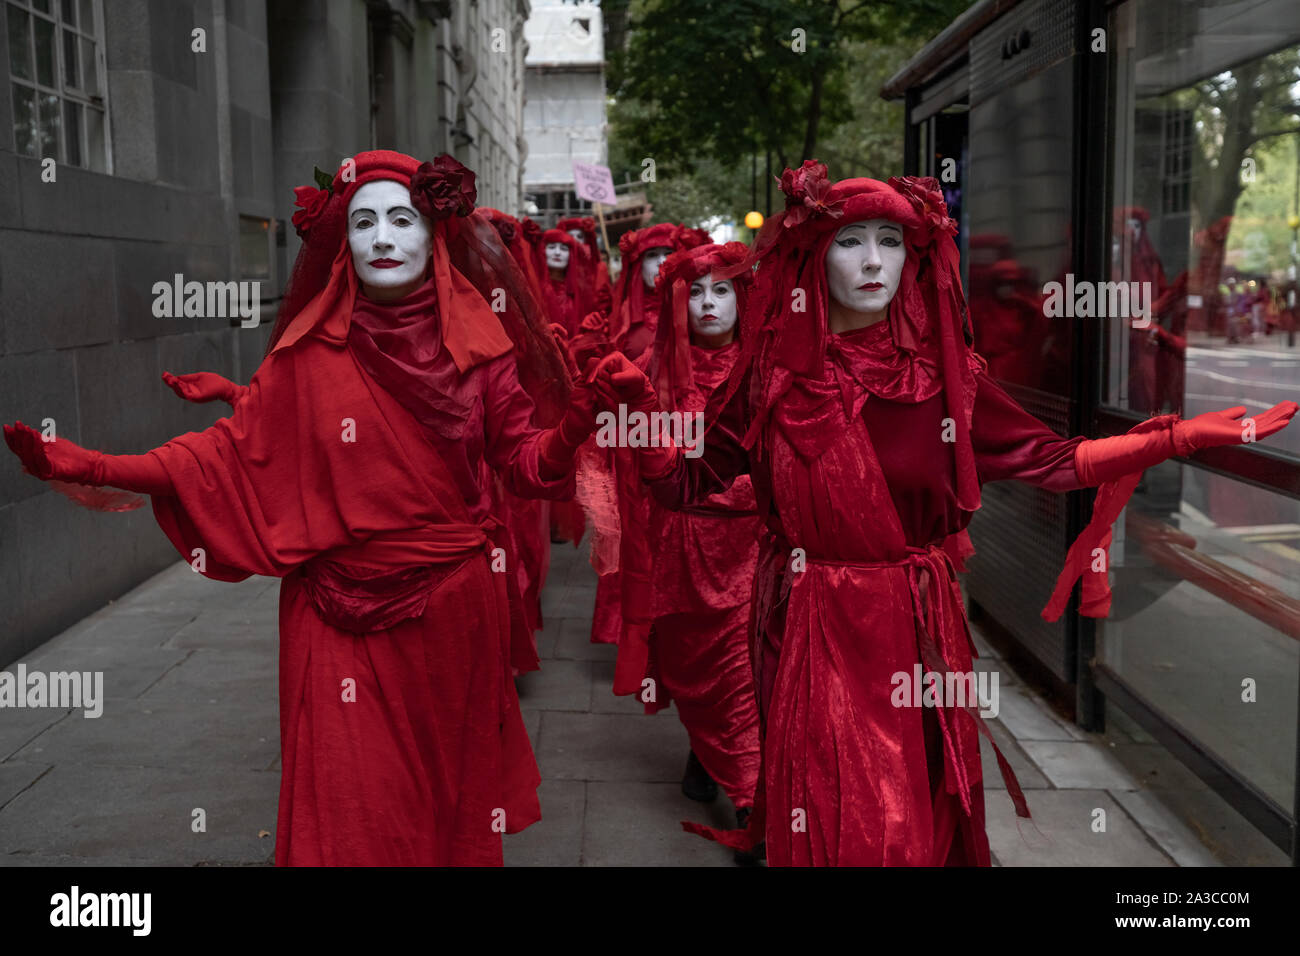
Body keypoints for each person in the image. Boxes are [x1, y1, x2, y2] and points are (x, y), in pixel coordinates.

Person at [588, 166, 1298, 866]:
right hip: (805, 623)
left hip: (912, 628)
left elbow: (1054, 459)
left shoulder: (946, 379)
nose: (873, 261)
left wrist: (1177, 438)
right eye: (850, 240)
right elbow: (686, 484)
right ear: (812, 253)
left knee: (907, 814)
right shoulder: (770, 375)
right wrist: (642, 414)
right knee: (836, 811)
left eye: (891, 240)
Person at [4, 150, 618, 866]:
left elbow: (526, 466)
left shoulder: (482, 349)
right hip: (330, 618)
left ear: (434, 233)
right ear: (343, 242)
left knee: (437, 812)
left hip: (449, 621)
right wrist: (97, 465)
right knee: (349, 816)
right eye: (363, 223)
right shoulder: (305, 353)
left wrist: (577, 422)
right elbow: (221, 455)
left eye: (402, 219)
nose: (383, 238)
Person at [603, 242, 764, 863]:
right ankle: (703, 749)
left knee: (745, 669)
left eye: (720, 289)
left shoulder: (771, 367)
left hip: (755, 544)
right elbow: (637, 463)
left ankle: (750, 802)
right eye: (694, 291)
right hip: (681, 541)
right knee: (692, 667)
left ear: (741, 297)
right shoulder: (654, 366)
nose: (707, 303)